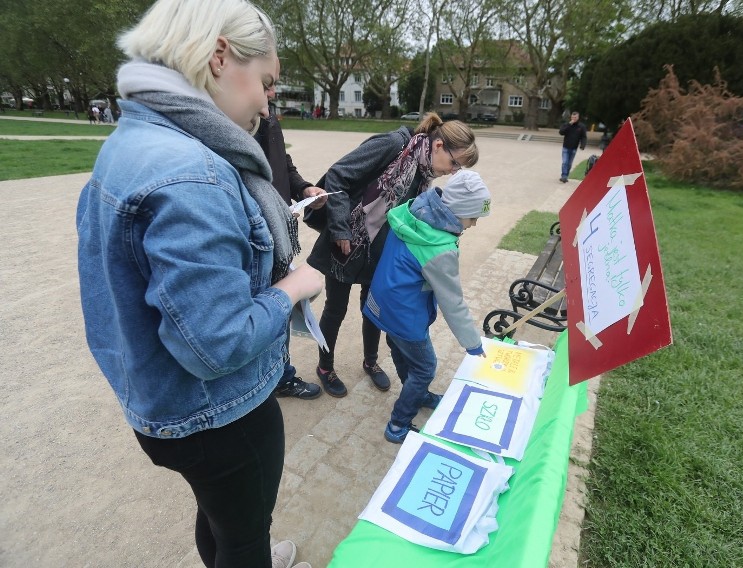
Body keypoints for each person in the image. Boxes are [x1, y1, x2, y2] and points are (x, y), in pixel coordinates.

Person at [75, 1, 322, 567]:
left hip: (164, 405)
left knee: (220, 513)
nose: (266, 101)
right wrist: (293, 287)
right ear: (218, 57)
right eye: (266, 81)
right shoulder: (194, 172)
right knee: (244, 534)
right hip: (221, 412)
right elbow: (216, 343)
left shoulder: (132, 141)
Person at [306, 112, 478, 398]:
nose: (453, 172)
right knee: (335, 308)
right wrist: (339, 229)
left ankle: (370, 362)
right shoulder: (393, 145)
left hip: (381, 250)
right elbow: (338, 174)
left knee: (374, 307)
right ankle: (325, 367)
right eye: (454, 163)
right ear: (438, 146)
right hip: (347, 242)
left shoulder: (423, 172)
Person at [362, 170, 491, 443]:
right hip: (404, 312)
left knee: (401, 352)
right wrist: (472, 342)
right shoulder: (440, 249)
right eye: (473, 218)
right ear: (457, 212)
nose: (475, 225)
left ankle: (417, 394)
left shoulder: (415, 211)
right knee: (425, 367)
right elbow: (452, 301)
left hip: (384, 300)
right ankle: (398, 423)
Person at [254, 90, 328, 401]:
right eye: (266, 81)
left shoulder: (265, 111)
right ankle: (275, 379)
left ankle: (279, 374)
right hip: (260, 232)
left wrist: (303, 187)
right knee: (271, 306)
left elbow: (282, 163)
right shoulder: (240, 119)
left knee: (280, 310)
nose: (272, 91)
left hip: (280, 227)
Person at [558, 111, 587, 183]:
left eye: (575, 117)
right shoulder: (567, 125)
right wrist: (568, 125)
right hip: (566, 147)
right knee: (565, 162)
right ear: (571, 117)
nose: (573, 118)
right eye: (572, 117)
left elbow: (584, 137)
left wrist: (582, 145)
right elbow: (561, 132)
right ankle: (564, 176)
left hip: (574, 148)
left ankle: (566, 175)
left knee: (569, 163)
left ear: (578, 117)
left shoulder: (581, 126)